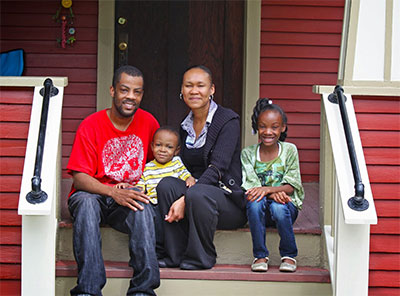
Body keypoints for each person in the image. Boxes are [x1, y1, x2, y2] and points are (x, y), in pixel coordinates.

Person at [66, 65, 160, 296]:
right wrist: (112, 192)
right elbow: (79, 179)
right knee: (86, 203)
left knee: (142, 206)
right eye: (124, 90)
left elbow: (159, 164)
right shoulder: (91, 125)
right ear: (112, 91)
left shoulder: (149, 123)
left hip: (127, 197)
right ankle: (88, 290)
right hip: (94, 194)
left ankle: (142, 290)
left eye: (137, 92)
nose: (131, 97)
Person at [156, 65, 247, 270]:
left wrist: (185, 198)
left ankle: (200, 258)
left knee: (197, 194)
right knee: (166, 185)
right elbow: (185, 169)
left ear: (211, 89)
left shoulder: (228, 120)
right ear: (182, 90)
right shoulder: (185, 126)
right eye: (188, 85)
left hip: (228, 202)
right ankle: (174, 255)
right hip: (199, 197)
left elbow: (218, 168)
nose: (194, 91)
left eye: (200, 85)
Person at [241, 98, 304, 273]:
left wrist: (269, 190)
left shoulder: (290, 150)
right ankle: (260, 255)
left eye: (274, 127)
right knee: (253, 204)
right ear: (257, 127)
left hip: (286, 206)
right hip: (261, 204)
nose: (268, 132)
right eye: (263, 126)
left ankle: (289, 255)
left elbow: (291, 185)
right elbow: (253, 189)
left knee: (278, 207)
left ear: (283, 127)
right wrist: (273, 192)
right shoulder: (248, 154)